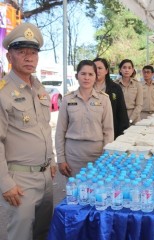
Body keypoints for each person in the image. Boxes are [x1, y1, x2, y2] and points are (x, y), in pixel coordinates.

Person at [0, 22, 56, 240]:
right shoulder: (3, 93)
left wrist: (51, 161)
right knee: (21, 235)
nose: (28, 57)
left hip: (46, 178)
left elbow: (43, 129)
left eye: (33, 53)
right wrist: (6, 184)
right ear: (9, 57)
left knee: (43, 232)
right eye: (21, 52)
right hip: (20, 182)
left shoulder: (39, 88)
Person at [55, 60, 114, 177]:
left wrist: (107, 156)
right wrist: (61, 159)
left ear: (96, 77)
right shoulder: (68, 99)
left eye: (91, 74)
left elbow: (108, 130)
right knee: (74, 191)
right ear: (77, 76)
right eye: (83, 74)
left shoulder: (104, 99)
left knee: (97, 191)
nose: (86, 77)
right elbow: (60, 131)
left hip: (97, 155)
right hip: (73, 156)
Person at [93, 57, 129, 139]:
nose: (97, 70)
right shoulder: (87, 88)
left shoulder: (115, 88)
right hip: (92, 133)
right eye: (94, 68)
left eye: (100, 68)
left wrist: (121, 135)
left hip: (112, 131)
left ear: (106, 71)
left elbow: (121, 112)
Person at [115, 59, 143, 124]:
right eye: (124, 67)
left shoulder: (138, 85)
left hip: (134, 119)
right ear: (120, 70)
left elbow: (139, 105)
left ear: (132, 70)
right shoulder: (115, 84)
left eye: (129, 68)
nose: (127, 70)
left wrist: (130, 119)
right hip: (119, 118)